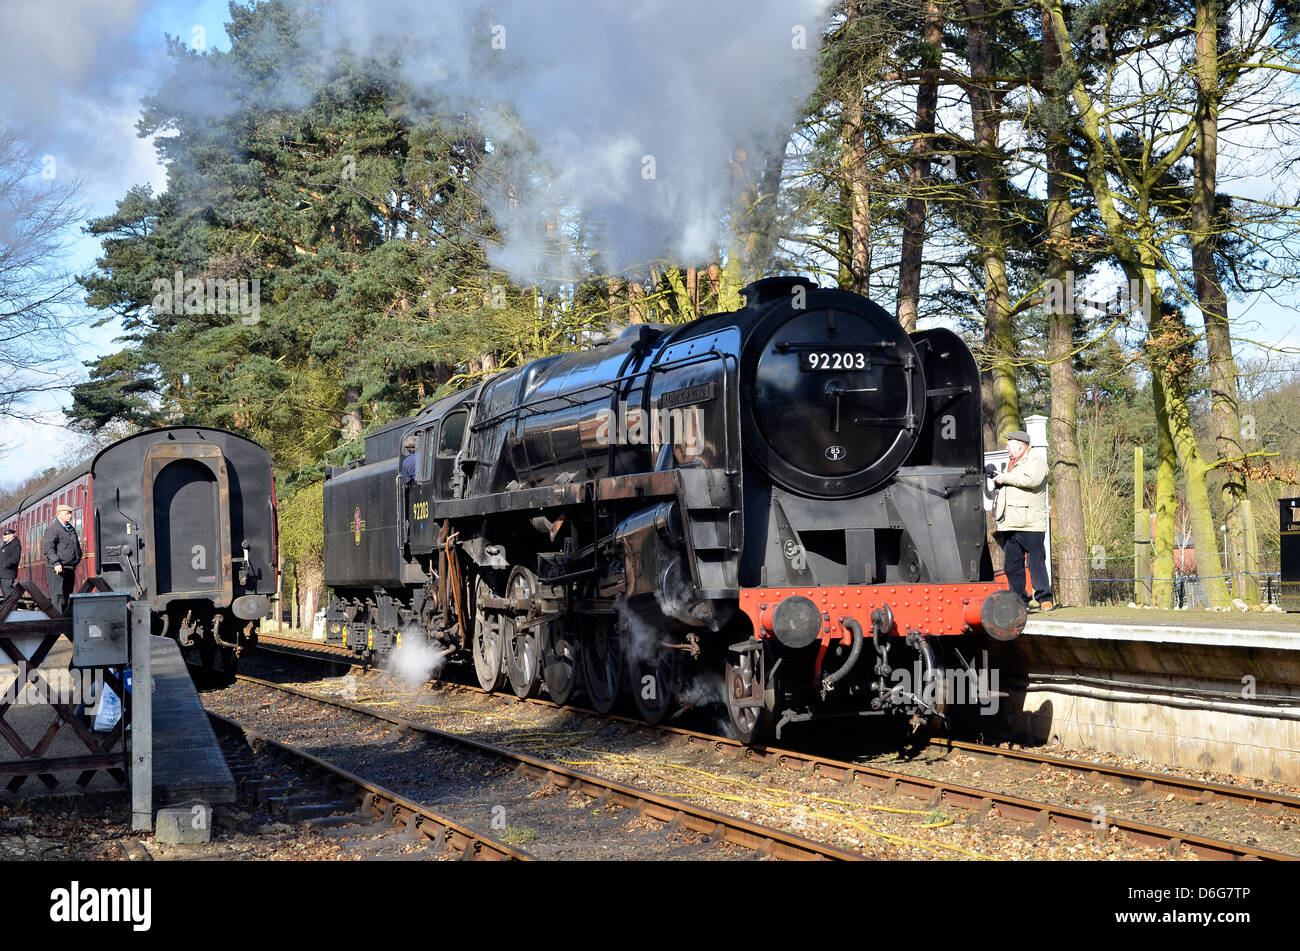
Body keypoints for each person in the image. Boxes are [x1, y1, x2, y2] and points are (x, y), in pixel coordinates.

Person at [992, 429, 1054, 611]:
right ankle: (1019, 601)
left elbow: (1032, 480)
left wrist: (1005, 477)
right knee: (1012, 566)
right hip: (1011, 522)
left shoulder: (1036, 459)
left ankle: (1044, 599)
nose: (1006, 448)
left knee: (1036, 562)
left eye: (1009, 444)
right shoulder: (1012, 463)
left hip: (1030, 522)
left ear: (1020, 445)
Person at [43, 504, 82, 616]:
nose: (70, 516)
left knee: (67, 595)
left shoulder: (70, 528)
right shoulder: (53, 529)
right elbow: (48, 548)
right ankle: (57, 623)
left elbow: (76, 545)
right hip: (57, 568)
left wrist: (77, 558)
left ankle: (65, 622)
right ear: (59, 514)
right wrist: (56, 562)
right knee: (58, 595)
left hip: (69, 567)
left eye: (70, 513)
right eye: (67, 513)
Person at [0, 526, 19, 599]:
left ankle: (12, 608)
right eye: (3, 535)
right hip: (2, 572)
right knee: (5, 594)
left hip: (8, 573)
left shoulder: (15, 544)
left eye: (5, 535)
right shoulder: (5, 544)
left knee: (8, 593)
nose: (4, 536)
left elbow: (15, 558)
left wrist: (5, 564)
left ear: (11, 535)